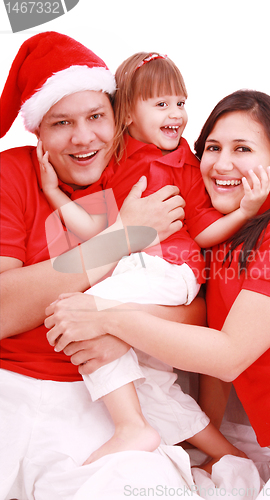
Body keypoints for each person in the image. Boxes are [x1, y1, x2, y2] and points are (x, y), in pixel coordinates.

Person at [46, 90, 270, 498]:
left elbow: (229, 355)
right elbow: (208, 358)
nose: (222, 163)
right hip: (264, 436)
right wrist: (211, 446)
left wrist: (107, 316)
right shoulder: (215, 240)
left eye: (243, 148)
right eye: (213, 147)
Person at [39, 51, 270, 466]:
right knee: (150, 383)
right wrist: (55, 193)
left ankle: (131, 428)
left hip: (170, 269)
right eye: (161, 104)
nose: (176, 114)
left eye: (180, 102)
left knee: (78, 314)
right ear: (128, 114)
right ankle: (230, 457)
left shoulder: (183, 161)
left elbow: (201, 232)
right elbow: (97, 231)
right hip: (136, 268)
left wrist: (245, 211)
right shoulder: (115, 161)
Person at [0, 32, 207, 500]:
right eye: (61, 123)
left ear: (120, 117)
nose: (82, 137)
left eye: (96, 117)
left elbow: (197, 312)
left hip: (101, 400)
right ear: (38, 132)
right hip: (7, 385)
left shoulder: (154, 176)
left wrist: (118, 323)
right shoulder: (11, 174)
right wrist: (122, 238)